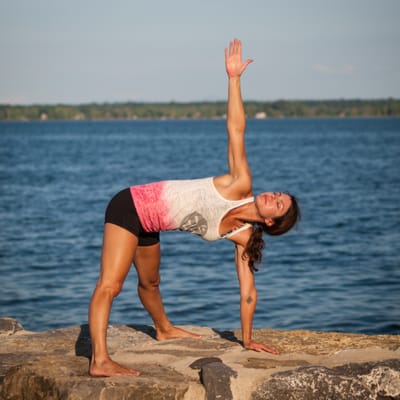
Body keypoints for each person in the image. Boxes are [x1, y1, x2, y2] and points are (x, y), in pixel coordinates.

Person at [88, 38, 300, 377]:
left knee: (151, 283)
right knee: (111, 285)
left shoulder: (245, 237)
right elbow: (236, 129)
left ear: (273, 222)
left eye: (278, 202)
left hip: (150, 223)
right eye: (277, 193)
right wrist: (234, 80)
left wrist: (247, 340)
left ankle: (163, 329)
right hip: (129, 205)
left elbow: (248, 292)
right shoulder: (241, 183)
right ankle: (100, 361)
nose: (272, 195)